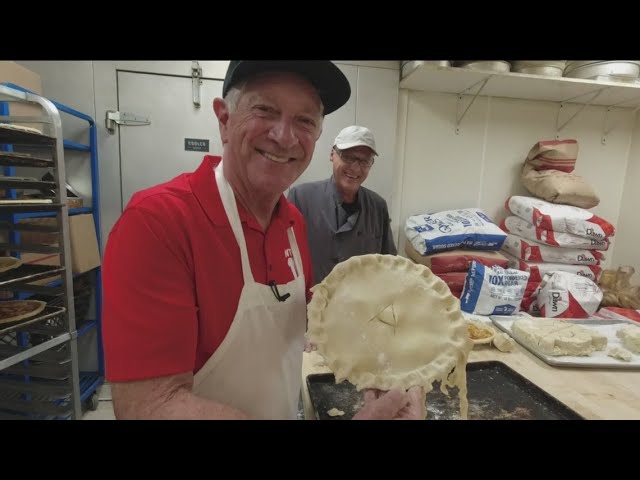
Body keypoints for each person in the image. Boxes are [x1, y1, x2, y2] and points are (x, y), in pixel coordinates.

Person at [102, 60, 423, 420]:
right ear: (224, 120)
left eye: (304, 121)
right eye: (265, 110)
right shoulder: (158, 223)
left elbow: (310, 321)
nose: (285, 137)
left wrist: (384, 366)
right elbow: (148, 407)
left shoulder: (291, 222)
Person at [288, 125, 397, 285]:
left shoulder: (377, 206)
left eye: (364, 161)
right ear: (332, 154)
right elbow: (285, 258)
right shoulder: (301, 198)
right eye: (348, 157)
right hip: (311, 302)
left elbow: (389, 263)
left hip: (360, 305)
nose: (355, 167)